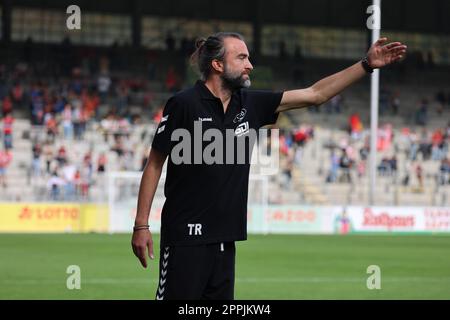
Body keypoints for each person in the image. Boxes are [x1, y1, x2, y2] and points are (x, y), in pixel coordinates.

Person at [131, 32, 406, 300]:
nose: (250, 65)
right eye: (241, 58)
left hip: (226, 240)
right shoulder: (183, 104)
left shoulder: (250, 104)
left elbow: (315, 94)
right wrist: (141, 226)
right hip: (185, 240)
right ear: (218, 65)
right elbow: (154, 164)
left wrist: (366, 65)